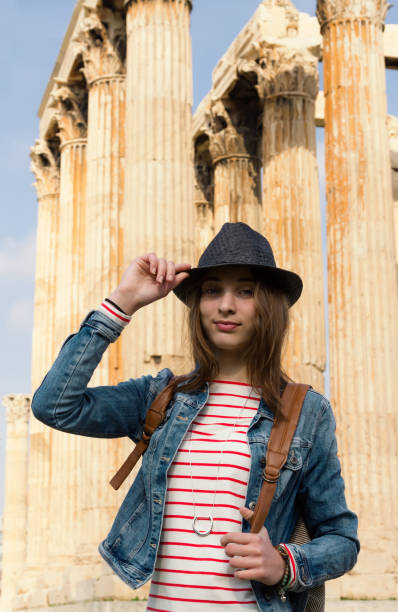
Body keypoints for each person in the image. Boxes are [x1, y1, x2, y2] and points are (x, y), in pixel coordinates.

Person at [32, 222, 359, 611]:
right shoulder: (162, 396)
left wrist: (285, 564)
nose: (225, 305)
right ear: (198, 304)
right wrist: (122, 303)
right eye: (212, 290)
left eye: (245, 291)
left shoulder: (305, 411)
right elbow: (54, 406)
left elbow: (341, 539)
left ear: (269, 304)